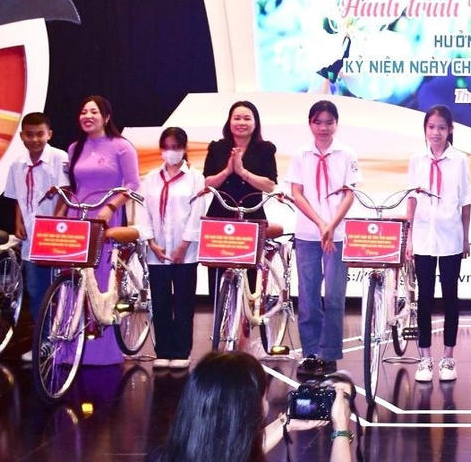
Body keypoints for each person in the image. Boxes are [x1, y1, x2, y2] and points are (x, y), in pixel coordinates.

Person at [150, 351, 356, 462]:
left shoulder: (162, 455)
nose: (266, 403)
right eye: (263, 396)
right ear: (246, 410)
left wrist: (285, 423)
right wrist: (341, 430)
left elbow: (232, 451)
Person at [64, 96, 141, 365]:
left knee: (101, 277)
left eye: (94, 112)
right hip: (78, 215)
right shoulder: (74, 148)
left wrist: (110, 207)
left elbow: (132, 184)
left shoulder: (122, 147)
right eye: (83, 111)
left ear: (106, 117)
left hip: (106, 217)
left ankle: (101, 351)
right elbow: (73, 186)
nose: (87, 116)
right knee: (73, 277)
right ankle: (69, 346)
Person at [288, 100, 359, 377]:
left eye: (329, 122)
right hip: (308, 234)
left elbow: (350, 193)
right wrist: (320, 224)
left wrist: (332, 225)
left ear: (336, 124)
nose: (323, 127)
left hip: (337, 235)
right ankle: (310, 353)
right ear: (310, 124)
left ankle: (329, 354)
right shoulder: (300, 154)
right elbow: (296, 193)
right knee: (307, 296)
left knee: (334, 296)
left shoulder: (347, 154)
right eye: (318, 122)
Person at [406, 105, 471, 383]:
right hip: (422, 237)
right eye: (431, 127)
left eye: (441, 128)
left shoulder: (460, 160)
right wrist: (409, 237)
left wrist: (465, 237)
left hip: (450, 237)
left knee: (450, 297)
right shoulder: (416, 160)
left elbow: (465, 201)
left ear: (450, 130)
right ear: (425, 129)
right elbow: (411, 198)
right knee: (424, 299)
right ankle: (424, 359)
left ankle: (448, 357)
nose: (436, 132)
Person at [3, 112, 69, 363]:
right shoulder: (17, 164)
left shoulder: (59, 158)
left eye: (40, 134)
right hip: (31, 238)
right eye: (29, 135)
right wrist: (18, 223)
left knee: (56, 290)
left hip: (54, 236)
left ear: (49, 134)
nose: (35, 139)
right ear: (22, 136)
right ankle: (42, 342)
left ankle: (60, 342)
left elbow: (65, 193)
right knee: (35, 290)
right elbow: (18, 198)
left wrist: (54, 223)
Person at [138, 127, 205, 369]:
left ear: (184, 149)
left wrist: (183, 245)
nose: (170, 152)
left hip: (186, 252)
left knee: (184, 302)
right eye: (166, 147)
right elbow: (144, 211)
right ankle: (163, 350)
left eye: (175, 147)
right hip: (157, 252)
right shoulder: (151, 177)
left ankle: (182, 352)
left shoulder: (195, 177)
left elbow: (197, 213)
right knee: (160, 301)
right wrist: (151, 242)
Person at [203, 101, 279, 298]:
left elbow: (269, 185)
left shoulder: (265, 149)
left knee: (249, 274)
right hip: (220, 215)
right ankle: (220, 314)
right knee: (218, 275)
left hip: (252, 215)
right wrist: (228, 171)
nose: (241, 123)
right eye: (237, 118)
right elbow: (207, 184)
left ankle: (247, 314)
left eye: (247, 118)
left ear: (255, 123)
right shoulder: (217, 147)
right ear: (229, 121)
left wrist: (242, 172)